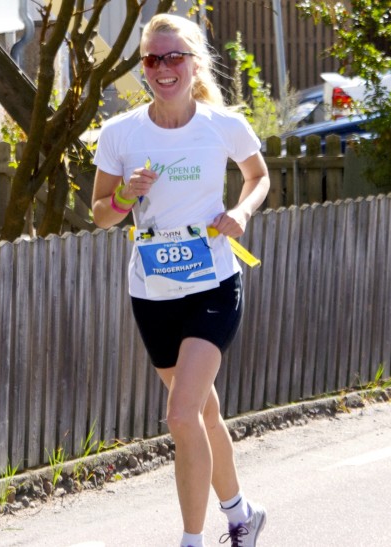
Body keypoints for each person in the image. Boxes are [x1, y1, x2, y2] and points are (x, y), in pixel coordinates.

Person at [90, 13, 270, 547]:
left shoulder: (223, 125)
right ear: (143, 67)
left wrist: (241, 212)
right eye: (152, 59)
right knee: (203, 413)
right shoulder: (121, 134)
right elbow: (100, 213)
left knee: (181, 412)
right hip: (153, 291)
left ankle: (192, 540)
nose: (164, 68)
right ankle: (242, 515)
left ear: (194, 63)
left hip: (214, 282)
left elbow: (258, 177)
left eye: (174, 57)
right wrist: (125, 195)